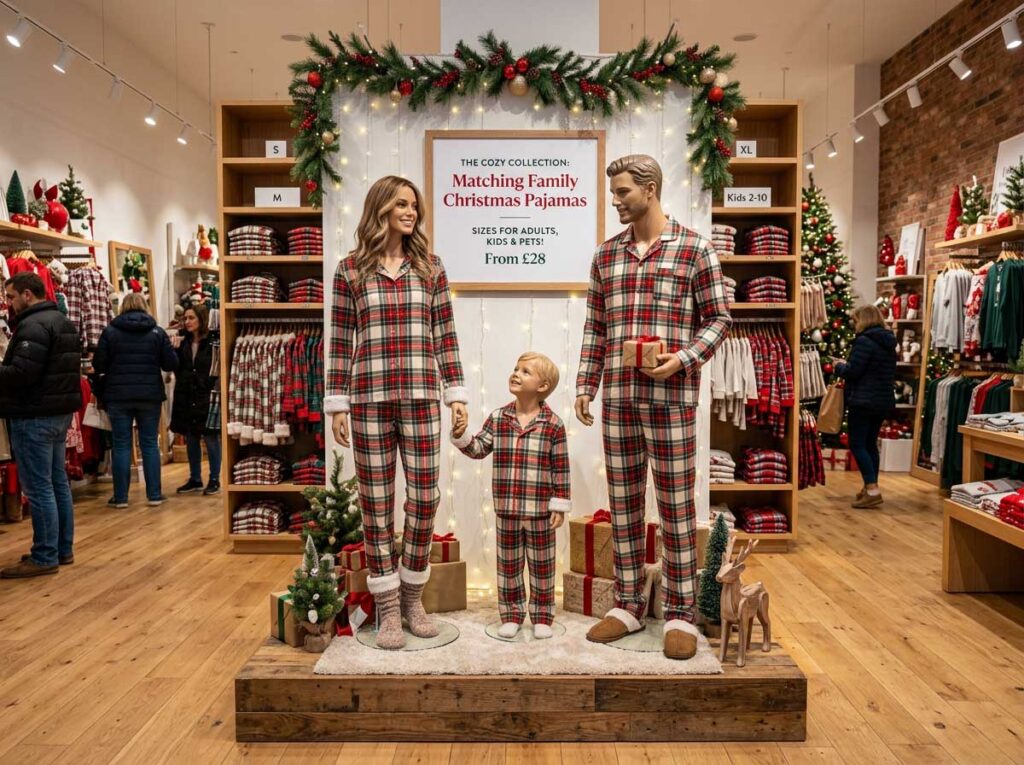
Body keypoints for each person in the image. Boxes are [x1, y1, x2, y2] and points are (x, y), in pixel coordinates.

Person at [575, 154, 732, 660]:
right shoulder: (606, 256)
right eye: (613, 193)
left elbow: (718, 319)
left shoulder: (694, 250)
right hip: (620, 399)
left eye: (623, 192)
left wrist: (684, 359)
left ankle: (681, 611)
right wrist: (585, 383)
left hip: (672, 400)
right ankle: (627, 604)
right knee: (622, 504)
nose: (616, 201)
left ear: (650, 188)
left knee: (676, 506)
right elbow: (596, 326)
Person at [326, 175, 468, 650]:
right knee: (376, 505)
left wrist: (457, 394)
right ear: (381, 207)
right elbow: (341, 341)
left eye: (415, 206)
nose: (412, 212)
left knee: (425, 498)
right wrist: (337, 403)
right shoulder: (349, 270)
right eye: (403, 204)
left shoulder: (430, 268)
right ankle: (387, 607)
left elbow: (445, 334)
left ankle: (412, 597)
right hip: (367, 398)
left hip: (422, 395)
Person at [451, 352, 571, 640]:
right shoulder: (499, 418)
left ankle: (542, 615)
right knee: (509, 567)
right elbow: (479, 448)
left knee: (542, 567)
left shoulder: (552, 424)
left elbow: (561, 467)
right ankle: (512, 614)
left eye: (525, 371)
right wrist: (462, 434)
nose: (516, 373)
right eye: (516, 368)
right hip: (507, 509)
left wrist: (560, 503)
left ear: (542, 386)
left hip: (540, 511)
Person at [0, 272, 82, 578]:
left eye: (11, 296)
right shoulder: (61, 321)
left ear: (27, 295)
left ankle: (45, 554)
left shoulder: (33, 326)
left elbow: (21, 374)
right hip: (57, 413)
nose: (8, 303)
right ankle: (61, 548)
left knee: (40, 488)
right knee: (57, 483)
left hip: (34, 414)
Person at [92, 292, 178, 508]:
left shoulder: (110, 332)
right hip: (149, 396)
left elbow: (99, 364)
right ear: (145, 306)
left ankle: (120, 498)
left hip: (118, 396)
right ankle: (155, 495)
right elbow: (170, 363)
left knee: (121, 445)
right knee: (149, 444)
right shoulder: (157, 332)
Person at [834, 305, 897, 508]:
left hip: (863, 400)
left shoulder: (864, 341)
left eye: (855, 319)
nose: (854, 323)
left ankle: (871, 489)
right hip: (882, 400)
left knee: (858, 444)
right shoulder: (888, 342)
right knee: (870, 444)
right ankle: (871, 487)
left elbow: (854, 371)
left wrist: (839, 366)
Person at [169, 304, 221, 496]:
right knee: (191, 437)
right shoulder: (181, 342)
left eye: (192, 318)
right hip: (185, 394)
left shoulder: (213, 341)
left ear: (201, 319)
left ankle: (214, 478)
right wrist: (173, 350)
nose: (187, 322)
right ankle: (195, 478)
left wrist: (212, 386)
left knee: (210, 436)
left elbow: (217, 368)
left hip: (206, 394)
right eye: (186, 318)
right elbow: (174, 367)